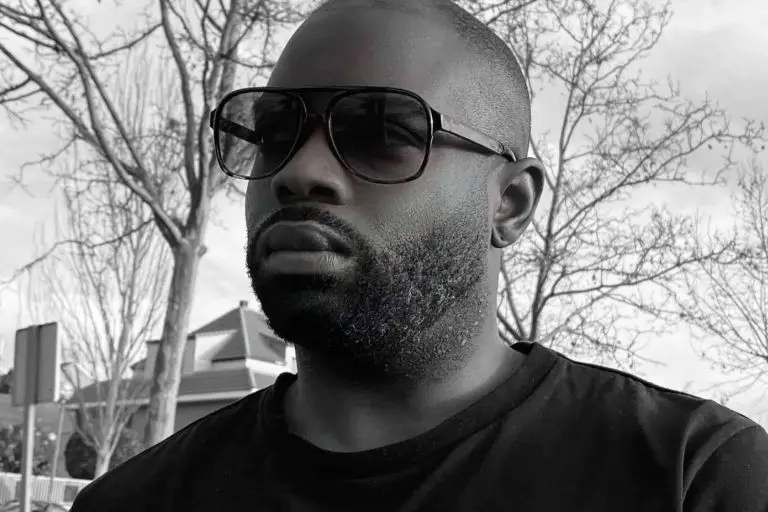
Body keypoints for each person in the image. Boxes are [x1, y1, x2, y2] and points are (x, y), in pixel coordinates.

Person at [70, 0, 768, 510]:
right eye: (276, 131)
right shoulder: (132, 504)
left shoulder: (695, 476)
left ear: (510, 202)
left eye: (380, 131)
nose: (298, 171)